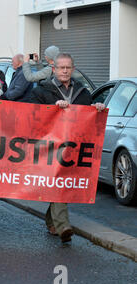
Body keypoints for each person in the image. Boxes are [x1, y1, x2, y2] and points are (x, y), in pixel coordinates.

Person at [29, 53, 106, 243]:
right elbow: (31, 114)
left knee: (63, 183)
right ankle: (63, 226)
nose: (64, 71)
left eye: (68, 67)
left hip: (73, 146)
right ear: (53, 69)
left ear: (73, 69)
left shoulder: (82, 91)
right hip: (50, 146)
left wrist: (96, 109)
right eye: (61, 67)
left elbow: (87, 117)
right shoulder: (42, 90)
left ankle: (51, 220)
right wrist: (52, 108)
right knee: (58, 181)